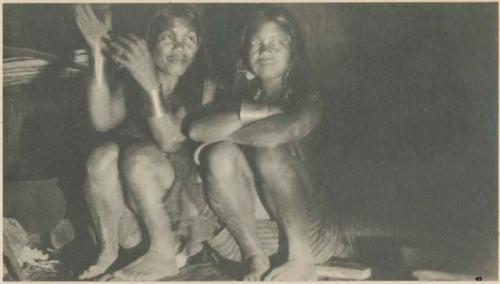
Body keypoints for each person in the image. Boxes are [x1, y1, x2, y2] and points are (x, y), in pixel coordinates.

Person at [188, 6, 353, 281]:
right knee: (219, 155)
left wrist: (227, 132)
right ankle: (256, 257)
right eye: (256, 44)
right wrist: (262, 113)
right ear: (245, 52)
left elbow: (286, 131)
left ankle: (300, 262)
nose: (265, 52)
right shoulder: (242, 95)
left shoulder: (309, 94)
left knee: (269, 152)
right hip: (246, 231)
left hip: (308, 231)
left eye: (277, 44)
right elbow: (196, 130)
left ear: (293, 52)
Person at [74, 4, 217, 280]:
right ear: (149, 45)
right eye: (168, 38)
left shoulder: (204, 87)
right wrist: (97, 52)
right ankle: (108, 249)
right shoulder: (133, 81)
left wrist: (152, 87)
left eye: (189, 40)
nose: (179, 47)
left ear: (198, 48)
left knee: (139, 155)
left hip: (182, 206)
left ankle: (164, 255)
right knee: (103, 154)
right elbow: (102, 120)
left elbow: (172, 142)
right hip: (136, 207)